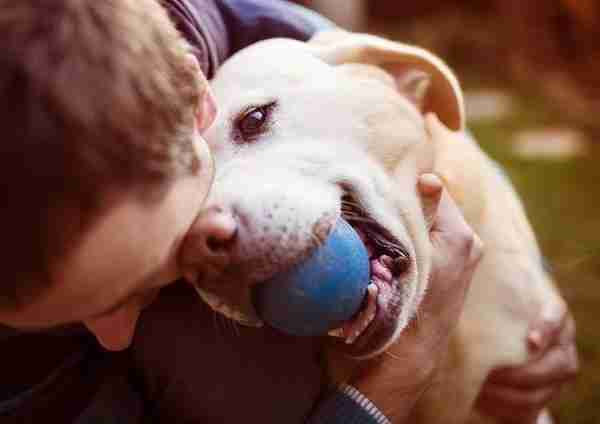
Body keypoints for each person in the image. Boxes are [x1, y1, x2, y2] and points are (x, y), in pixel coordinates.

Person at [0, 0, 575, 423]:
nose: (114, 335)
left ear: (196, 97)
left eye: (251, 125)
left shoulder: (281, 43)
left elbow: (433, 131)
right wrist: (384, 395)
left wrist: (528, 299)